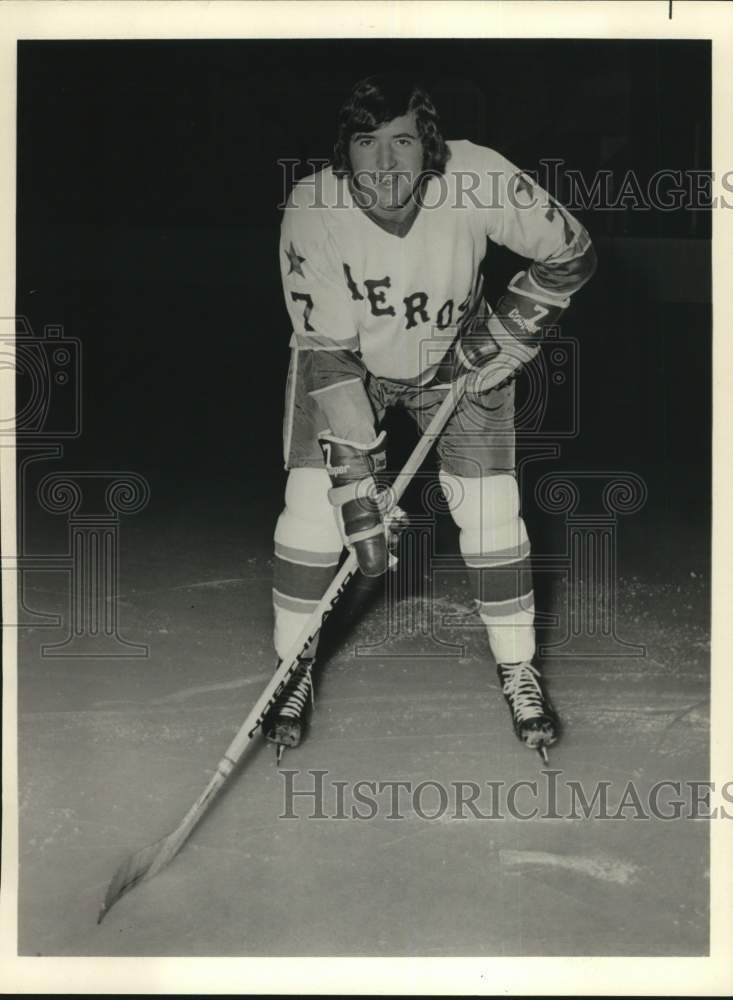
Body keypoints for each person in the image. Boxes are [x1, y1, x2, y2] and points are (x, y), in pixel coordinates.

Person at [263, 73, 597, 761]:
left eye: (403, 142)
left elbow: (571, 252)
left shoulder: (476, 174)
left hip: (457, 354)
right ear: (342, 150)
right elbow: (326, 359)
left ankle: (516, 667)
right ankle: (291, 669)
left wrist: (512, 329)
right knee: (314, 510)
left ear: (430, 144)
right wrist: (360, 489)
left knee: (489, 508)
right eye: (366, 142)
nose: (385, 165)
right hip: (345, 362)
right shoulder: (312, 207)